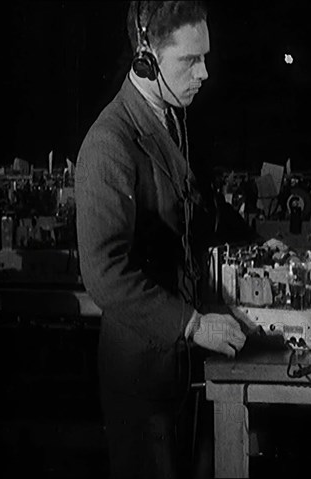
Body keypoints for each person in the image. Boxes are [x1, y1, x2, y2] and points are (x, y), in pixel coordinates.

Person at [75, 2, 256, 477]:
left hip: (182, 370)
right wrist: (193, 325)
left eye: (206, 57)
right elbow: (103, 274)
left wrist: (257, 244)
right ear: (145, 59)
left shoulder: (171, 118)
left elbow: (200, 205)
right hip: (142, 378)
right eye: (190, 61)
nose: (205, 73)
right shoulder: (109, 144)